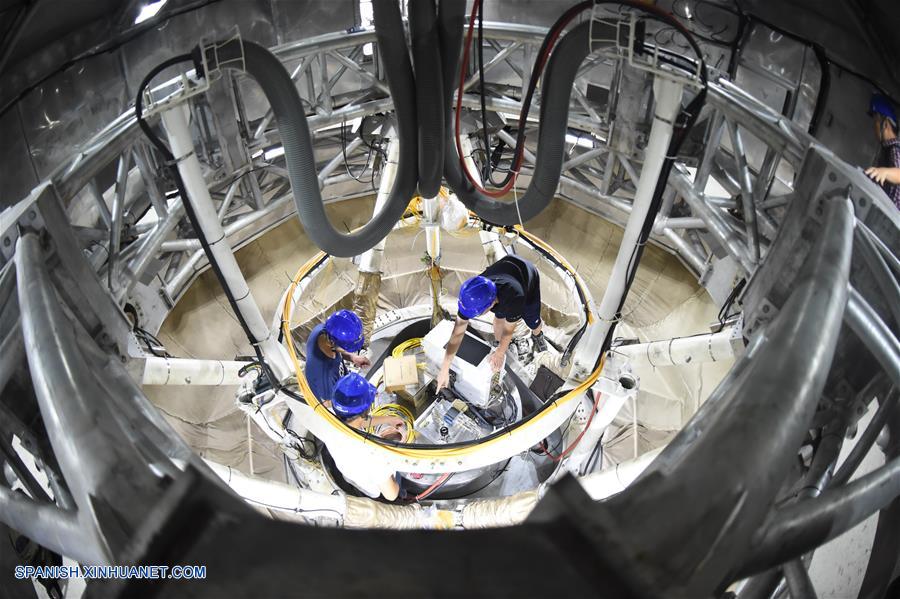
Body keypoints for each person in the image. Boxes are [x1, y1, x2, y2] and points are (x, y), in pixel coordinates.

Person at [436, 255, 547, 391]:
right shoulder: (473, 293)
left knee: (532, 320)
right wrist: (445, 368)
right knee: (499, 317)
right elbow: (458, 332)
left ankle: (538, 335)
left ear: (491, 304)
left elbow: (509, 330)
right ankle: (500, 344)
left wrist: (500, 353)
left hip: (527, 275)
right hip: (506, 268)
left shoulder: (515, 295)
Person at [326, 372, 405, 501]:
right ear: (366, 410)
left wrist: (388, 419)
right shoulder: (373, 454)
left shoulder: (329, 418)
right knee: (399, 491)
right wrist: (391, 453)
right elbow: (391, 495)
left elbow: (359, 421)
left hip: (352, 476)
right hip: (375, 491)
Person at [305, 309, 371, 404]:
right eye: (346, 348)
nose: (348, 350)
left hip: (341, 380)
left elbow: (337, 348)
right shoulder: (323, 378)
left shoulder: (324, 331)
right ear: (331, 342)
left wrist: (353, 357)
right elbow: (330, 404)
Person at [865, 92, 900, 210]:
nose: (873, 126)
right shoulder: (886, 150)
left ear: (885, 124)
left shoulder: (895, 148)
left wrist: (884, 171)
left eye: (876, 121)